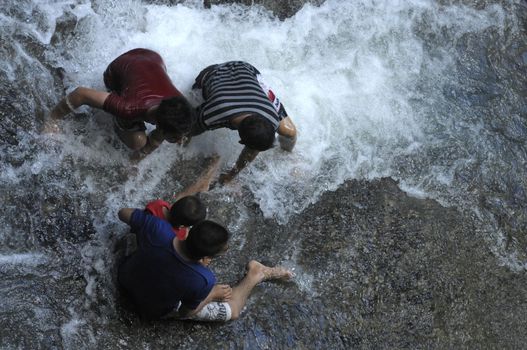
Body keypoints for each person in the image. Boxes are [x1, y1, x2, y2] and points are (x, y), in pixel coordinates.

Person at [117, 208, 292, 321]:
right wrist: (211, 295)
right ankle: (256, 274)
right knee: (233, 310)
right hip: (150, 308)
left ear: (189, 230)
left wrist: (148, 226)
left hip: (124, 276)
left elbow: (122, 213)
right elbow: (185, 313)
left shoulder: (157, 229)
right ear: (207, 257)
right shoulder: (203, 280)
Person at [45, 48, 195, 157]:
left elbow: (158, 136)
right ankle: (119, 122)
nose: (180, 140)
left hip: (151, 57)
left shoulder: (178, 105)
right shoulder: (129, 107)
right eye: (174, 137)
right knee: (137, 142)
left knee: (150, 139)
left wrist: (134, 162)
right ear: (157, 122)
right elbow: (80, 94)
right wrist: (52, 120)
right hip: (116, 71)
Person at [191, 61, 297, 184]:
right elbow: (189, 126)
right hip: (211, 74)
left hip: (245, 69)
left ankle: (287, 153)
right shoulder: (215, 112)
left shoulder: (271, 117)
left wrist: (230, 176)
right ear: (241, 141)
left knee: (290, 132)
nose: (254, 153)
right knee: (192, 126)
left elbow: (251, 150)